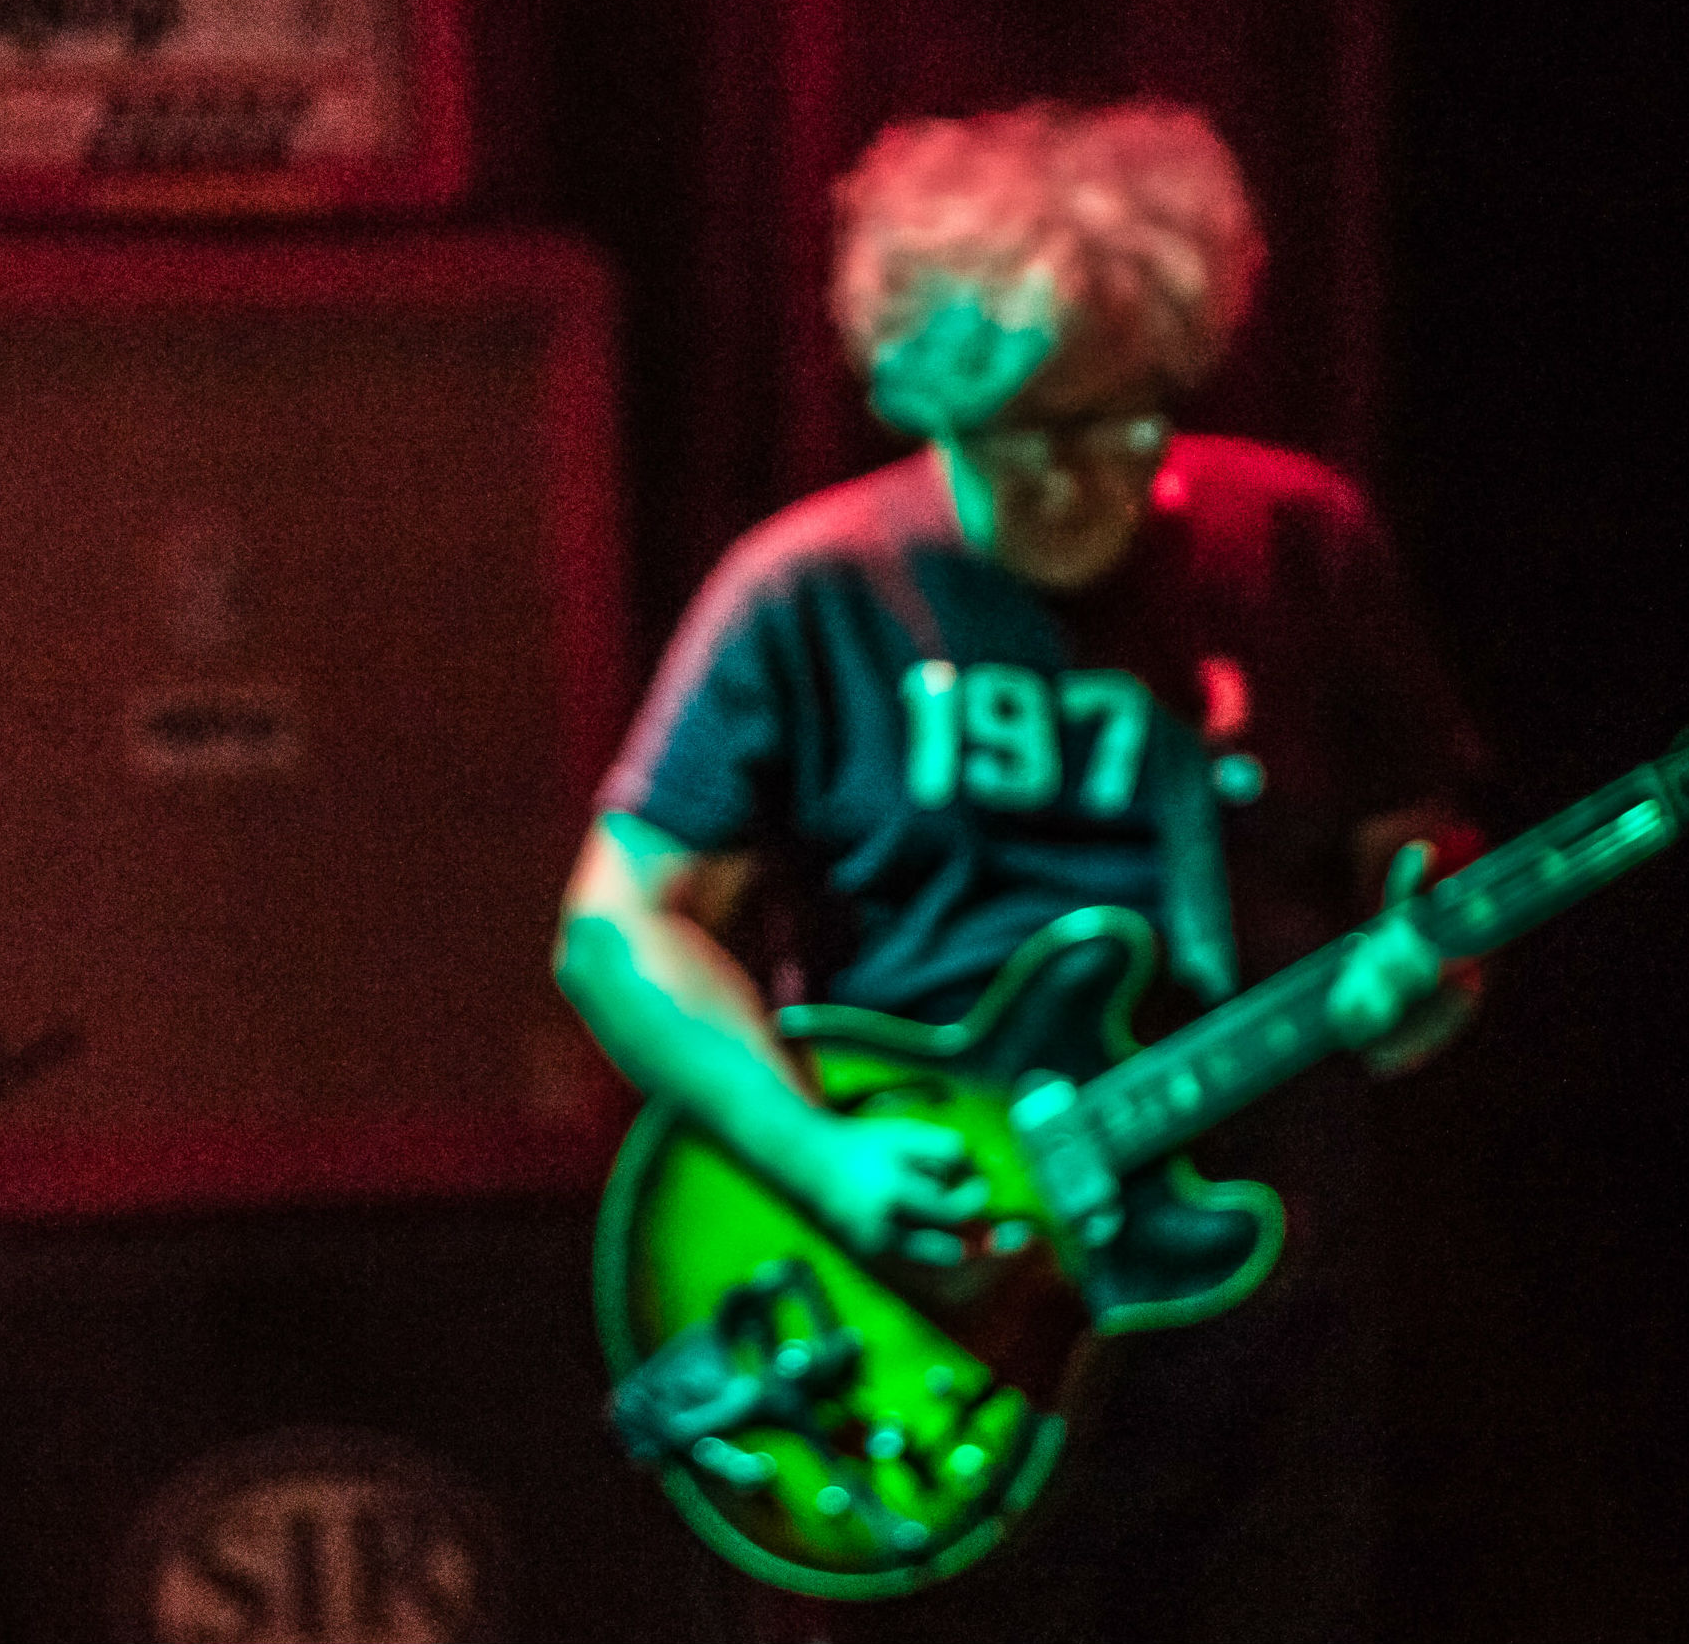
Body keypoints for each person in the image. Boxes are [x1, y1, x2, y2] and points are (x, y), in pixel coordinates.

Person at [558, 103, 1483, 1643]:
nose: (1079, 475)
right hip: (941, 1300)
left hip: (1253, 1308)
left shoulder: (1294, 547)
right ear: (926, 395)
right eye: (1024, 431)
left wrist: (1428, 966)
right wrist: (822, 1161)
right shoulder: (811, 593)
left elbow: (1421, 846)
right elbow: (617, 928)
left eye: (1125, 420)